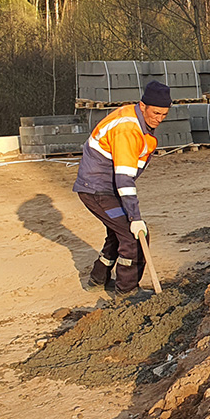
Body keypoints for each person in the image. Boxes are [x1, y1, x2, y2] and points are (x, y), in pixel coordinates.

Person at [74, 80, 171, 296]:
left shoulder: (139, 123)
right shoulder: (127, 128)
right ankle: (127, 292)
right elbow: (125, 178)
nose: (159, 119)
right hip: (97, 189)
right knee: (133, 235)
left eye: (164, 115)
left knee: (118, 231)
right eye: (156, 113)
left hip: (105, 186)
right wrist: (135, 217)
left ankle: (97, 279)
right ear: (142, 105)